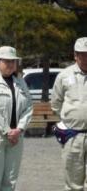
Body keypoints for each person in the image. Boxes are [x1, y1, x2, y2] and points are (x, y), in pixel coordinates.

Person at [0, 46, 32, 191]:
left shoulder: (20, 82)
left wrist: (19, 129)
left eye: (13, 61)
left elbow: (28, 107)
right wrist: (8, 131)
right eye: (6, 61)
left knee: (10, 182)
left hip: (16, 138)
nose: (10, 64)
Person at [51, 37, 87, 191]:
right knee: (73, 183)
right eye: (82, 54)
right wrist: (70, 120)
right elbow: (56, 103)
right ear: (75, 55)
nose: (85, 58)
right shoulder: (64, 75)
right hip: (73, 136)